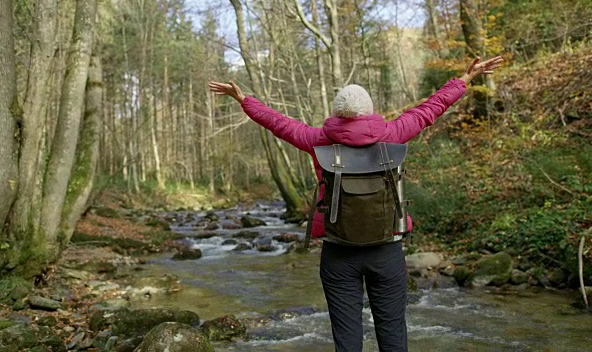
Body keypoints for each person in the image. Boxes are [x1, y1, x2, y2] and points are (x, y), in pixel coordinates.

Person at [209, 55, 503, 352]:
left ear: (337, 113)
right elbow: (431, 109)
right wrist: (464, 79)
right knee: (393, 335)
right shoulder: (394, 133)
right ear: (369, 111)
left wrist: (245, 99)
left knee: (347, 341)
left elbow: (278, 123)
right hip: (386, 250)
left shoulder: (317, 141)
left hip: (338, 252)